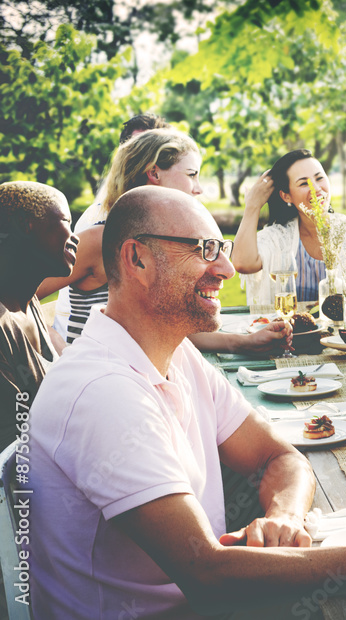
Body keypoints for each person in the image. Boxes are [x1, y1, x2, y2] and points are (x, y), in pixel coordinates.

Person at [28, 186, 346, 619]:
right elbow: (207, 573)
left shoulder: (177, 353)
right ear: (138, 259)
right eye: (203, 250)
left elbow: (280, 456)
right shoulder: (103, 392)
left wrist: (286, 518)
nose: (227, 270)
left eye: (222, 249)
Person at [37, 128, 290, 353]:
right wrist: (59, 350)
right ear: (154, 173)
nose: (198, 188)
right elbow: (13, 296)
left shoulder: (166, 240)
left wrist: (244, 342)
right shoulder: (101, 240)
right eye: (191, 174)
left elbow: (174, 323)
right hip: (100, 379)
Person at [51, 112, 170, 338]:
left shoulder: (162, 227)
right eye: (138, 149)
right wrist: (58, 347)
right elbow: (26, 298)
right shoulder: (99, 226)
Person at [232, 149, 346, 305]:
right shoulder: (278, 239)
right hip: (290, 329)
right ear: (286, 196)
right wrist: (252, 206)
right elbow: (242, 263)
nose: (316, 188)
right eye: (303, 183)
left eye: (319, 178)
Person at [0, 181, 78, 446]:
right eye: (67, 221)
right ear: (26, 224)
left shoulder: (26, 299)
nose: (75, 237)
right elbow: (14, 451)